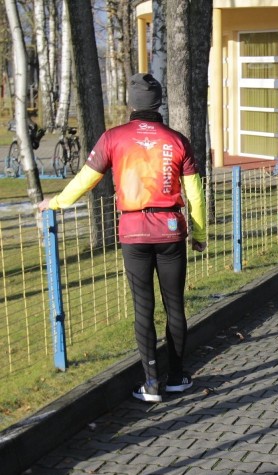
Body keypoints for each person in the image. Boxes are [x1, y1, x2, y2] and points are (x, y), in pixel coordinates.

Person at [37, 73, 207, 403]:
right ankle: (177, 377)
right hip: (171, 229)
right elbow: (195, 195)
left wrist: (55, 202)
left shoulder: (113, 138)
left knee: (143, 308)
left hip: (134, 231)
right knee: (175, 306)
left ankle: (151, 383)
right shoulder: (177, 140)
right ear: (159, 102)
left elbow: (85, 180)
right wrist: (199, 233)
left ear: (131, 102)